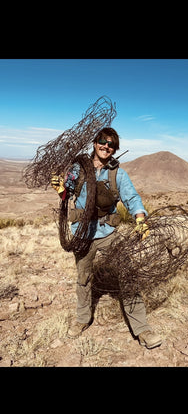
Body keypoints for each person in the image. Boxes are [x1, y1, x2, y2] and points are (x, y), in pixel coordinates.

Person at [51, 127, 162, 349]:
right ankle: (82, 319)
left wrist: (140, 219)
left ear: (115, 149)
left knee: (128, 275)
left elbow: (132, 198)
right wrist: (60, 188)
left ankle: (142, 329)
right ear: (94, 143)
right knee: (84, 278)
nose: (106, 146)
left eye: (111, 144)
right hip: (83, 234)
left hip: (108, 233)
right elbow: (67, 194)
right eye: (102, 141)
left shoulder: (117, 173)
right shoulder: (78, 169)